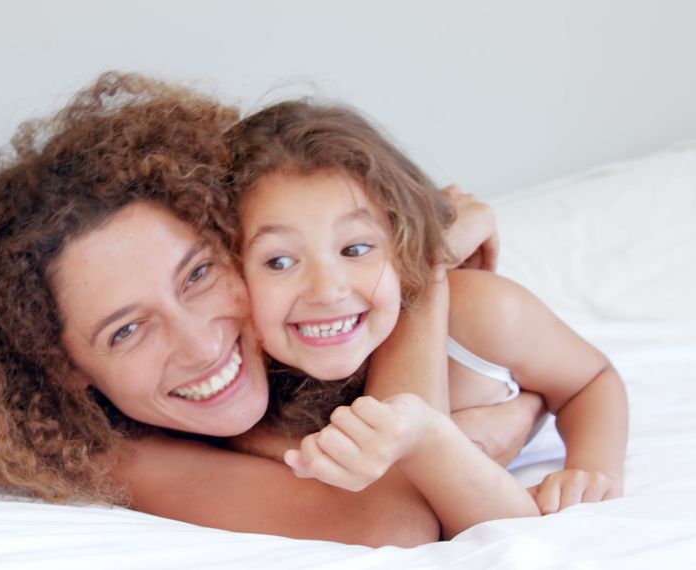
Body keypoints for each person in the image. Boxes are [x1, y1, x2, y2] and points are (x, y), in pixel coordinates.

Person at [0, 72, 542, 545]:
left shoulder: (303, 320)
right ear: (66, 368)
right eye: (126, 329)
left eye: (199, 274)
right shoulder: (122, 455)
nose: (199, 344)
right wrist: (423, 275)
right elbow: (399, 518)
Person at [225, 99, 629, 515]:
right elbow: (396, 505)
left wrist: (592, 468)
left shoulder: (480, 313)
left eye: (356, 248)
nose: (327, 291)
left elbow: (591, 379)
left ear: (403, 244)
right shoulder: (239, 392)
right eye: (280, 261)